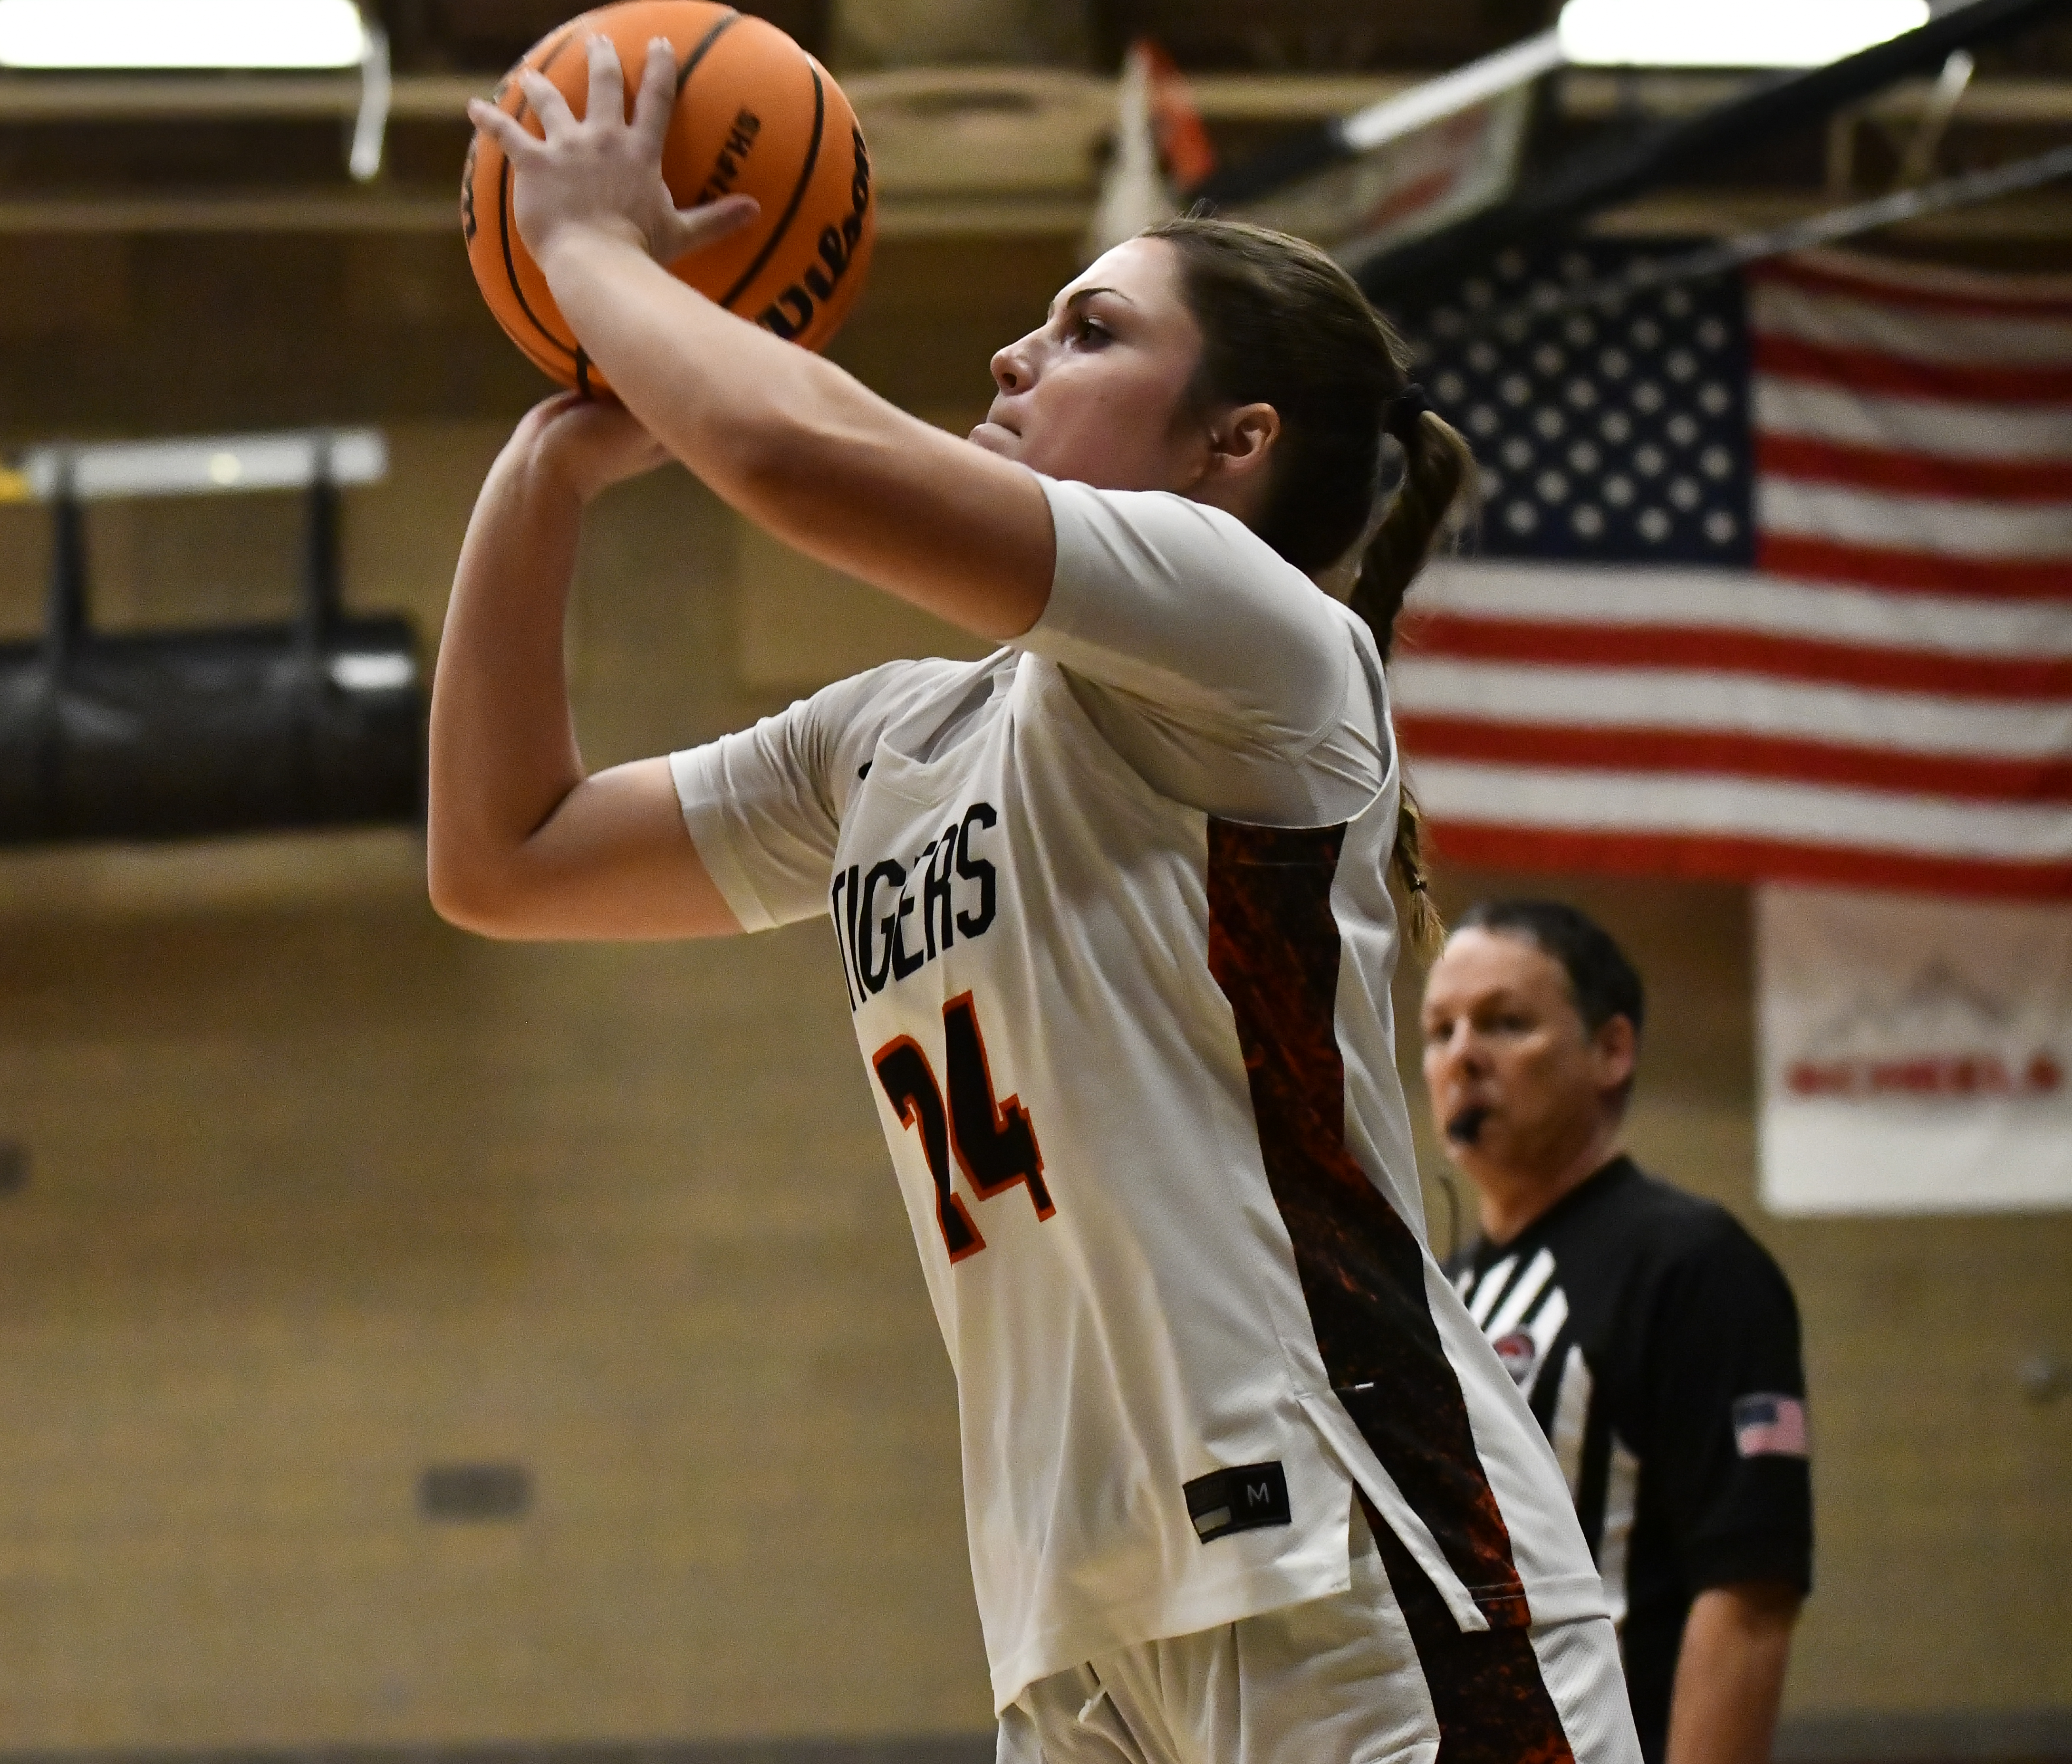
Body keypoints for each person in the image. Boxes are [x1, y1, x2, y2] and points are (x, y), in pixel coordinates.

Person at [437, 38, 1638, 1764]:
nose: (1013, 350)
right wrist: (542, 467)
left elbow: (791, 460)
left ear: (1232, 443)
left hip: (1358, 1577)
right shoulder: (893, 740)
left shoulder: (1256, 633)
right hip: (1073, 1625)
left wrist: (594, 252)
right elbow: (502, 855)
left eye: (1089, 331)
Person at [1420, 901, 1812, 1764]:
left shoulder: (1693, 1264)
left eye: (1505, 1023)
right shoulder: (1437, 1294)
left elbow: (1750, 1592)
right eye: (1439, 1030)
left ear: (1613, 1050)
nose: (1462, 1057)